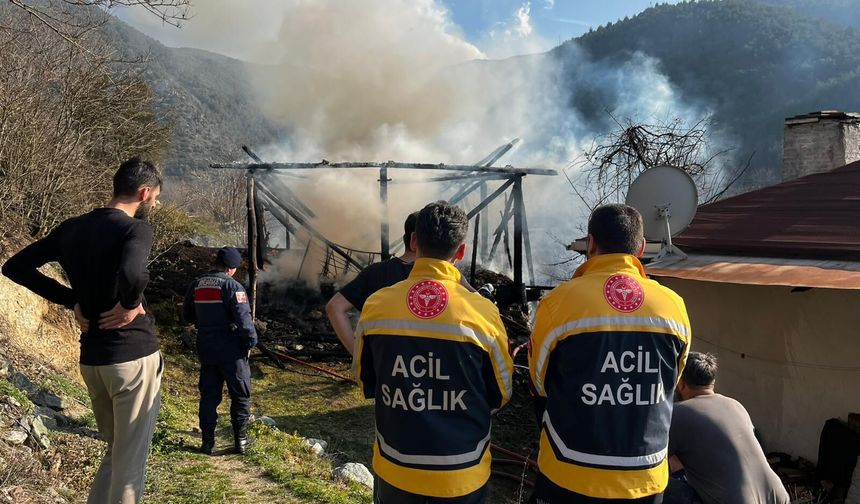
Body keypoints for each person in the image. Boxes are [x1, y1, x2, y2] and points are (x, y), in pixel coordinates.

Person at [2, 157, 163, 504]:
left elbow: (15, 266)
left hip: (93, 360)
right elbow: (134, 274)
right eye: (155, 197)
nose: (155, 204)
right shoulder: (135, 229)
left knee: (115, 454)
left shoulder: (71, 228)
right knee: (130, 467)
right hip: (133, 359)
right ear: (145, 192)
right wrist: (131, 304)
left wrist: (71, 300)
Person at [528, 204, 692, 503]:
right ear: (641, 247)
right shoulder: (674, 306)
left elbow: (540, 383)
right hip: (645, 477)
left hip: (569, 471)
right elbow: (670, 381)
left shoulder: (558, 303)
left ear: (590, 243)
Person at [354, 201, 513, 503]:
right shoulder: (482, 312)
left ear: (413, 241)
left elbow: (366, 381)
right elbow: (501, 393)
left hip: (395, 469)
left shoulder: (376, 305)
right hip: (462, 473)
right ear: (461, 251)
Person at [665, 352, 790, 504]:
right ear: (713, 381)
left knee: (653, 484)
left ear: (681, 382)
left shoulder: (678, 413)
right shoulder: (735, 405)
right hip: (777, 497)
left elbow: (652, 462)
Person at [182, 246, 257, 455]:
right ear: (230, 268)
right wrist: (251, 341)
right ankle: (240, 442)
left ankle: (207, 443)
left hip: (206, 348)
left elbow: (187, 315)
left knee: (209, 396)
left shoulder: (196, 284)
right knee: (241, 394)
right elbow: (244, 320)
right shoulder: (233, 287)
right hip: (231, 350)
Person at [326, 212, 418, 354]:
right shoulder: (442, 277)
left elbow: (335, 307)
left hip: (383, 366)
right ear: (414, 240)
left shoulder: (375, 272)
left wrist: (358, 354)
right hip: (429, 366)